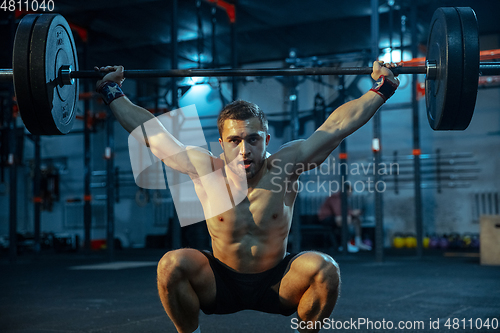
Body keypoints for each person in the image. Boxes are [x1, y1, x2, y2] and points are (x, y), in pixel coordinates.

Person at [94, 61, 399, 333]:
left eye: (253, 139)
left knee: (326, 268)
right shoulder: (204, 168)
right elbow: (152, 135)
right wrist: (111, 91)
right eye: (234, 140)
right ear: (222, 143)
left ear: (266, 139)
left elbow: (336, 127)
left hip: (279, 281)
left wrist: (382, 89)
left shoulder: (286, 165)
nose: (244, 150)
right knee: (170, 264)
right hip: (220, 282)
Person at [318, 183, 371, 253]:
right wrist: (352, 213)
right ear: (346, 191)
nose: (351, 194)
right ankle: (345, 243)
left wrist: (353, 213)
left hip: (335, 218)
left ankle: (358, 242)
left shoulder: (343, 198)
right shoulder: (336, 197)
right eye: (350, 192)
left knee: (357, 220)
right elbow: (338, 212)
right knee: (346, 219)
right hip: (326, 218)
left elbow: (345, 211)